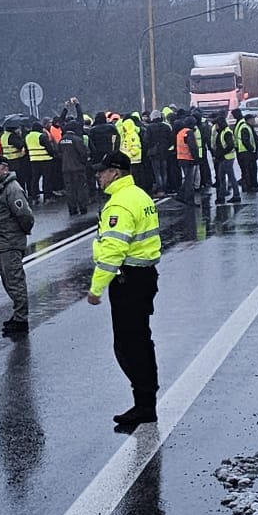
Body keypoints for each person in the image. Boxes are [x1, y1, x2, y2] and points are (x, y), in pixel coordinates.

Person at [87, 149, 162, 431]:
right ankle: (146, 399)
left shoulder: (118, 205)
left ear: (115, 173)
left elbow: (113, 251)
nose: (98, 175)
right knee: (140, 340)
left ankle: (144, 403)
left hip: (128, 280)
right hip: (143, 277)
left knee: (128, 345)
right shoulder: (139, 195)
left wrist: (96, 288)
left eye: (102, 171)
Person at [0, 155, 34, 335]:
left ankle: (21, 319)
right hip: (2, 243)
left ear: (5, 168)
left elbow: (25, 215)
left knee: (15, 281)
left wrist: (18, 235)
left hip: (10, 243)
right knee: (8, 281)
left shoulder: (12, 189)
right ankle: (18, 315)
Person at [57, 125, 91, 215]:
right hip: (78, 168)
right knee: (80, 188)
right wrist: (82, 162)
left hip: (66, 169)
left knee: (69, 189)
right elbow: (84, 153)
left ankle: (72, 209)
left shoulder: (61, 140)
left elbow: (58, 153)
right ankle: (82, 207)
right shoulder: (77, 139)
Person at [24, 121, 52, 203]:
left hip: (33, 160)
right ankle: (47, 197)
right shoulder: (41, 136)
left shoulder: (27, 137)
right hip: (45, 159)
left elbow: (26, 149)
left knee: (35, 179)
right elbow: (49, 148)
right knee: (46, 179)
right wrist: (52, 154)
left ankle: (34, 197)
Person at [173, 115, 198, 206]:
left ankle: (180, 195)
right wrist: (196, 158)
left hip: (181, 158)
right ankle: (189, 200)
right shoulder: (189, 132)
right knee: (189, 181)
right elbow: (193, 147)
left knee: (187, 179)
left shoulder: (180, 133)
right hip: (189, 158)